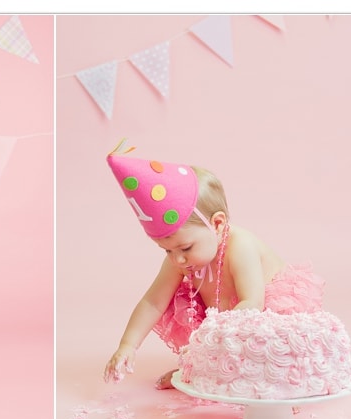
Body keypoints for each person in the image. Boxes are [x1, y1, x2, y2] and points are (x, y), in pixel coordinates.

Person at [100, 141, 324, 389]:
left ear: (217, 224)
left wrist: (209, 338)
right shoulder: (179, 259)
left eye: (185, 248)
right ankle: (204, 370)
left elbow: (252, 304)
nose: (178, 260)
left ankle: (278, 385)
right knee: (190, 315)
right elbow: (153, 302)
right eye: (167, 250)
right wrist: (128, 345)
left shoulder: (241, 246)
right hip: (223, 326)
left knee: (271, 355)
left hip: (264, 318)